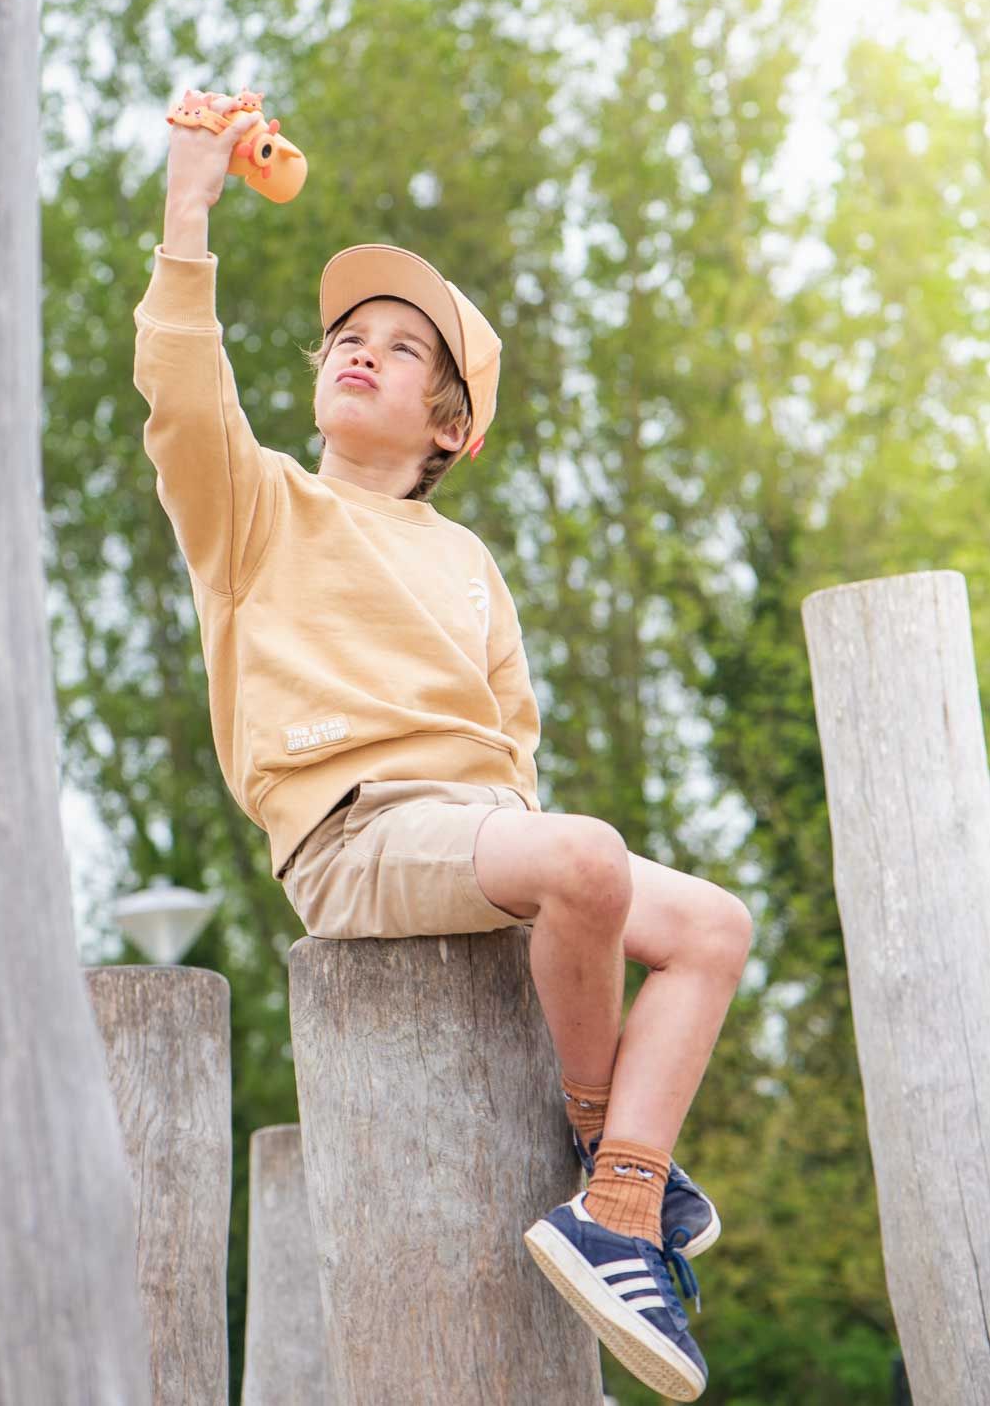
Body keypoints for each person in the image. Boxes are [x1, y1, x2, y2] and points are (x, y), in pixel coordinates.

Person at [132, 89, 753, 1402]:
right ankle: (616, 1179)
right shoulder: (257, 507)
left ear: (452, 428)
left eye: (403, 349)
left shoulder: (466, 558)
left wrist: (527, 857)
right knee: (585, 860)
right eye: (346, 338)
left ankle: (620, 1191)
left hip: (476, 831)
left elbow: (508, 739)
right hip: (353, 834)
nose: (360, 351)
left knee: (711, 925)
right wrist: (191, 202)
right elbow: (183, 394)